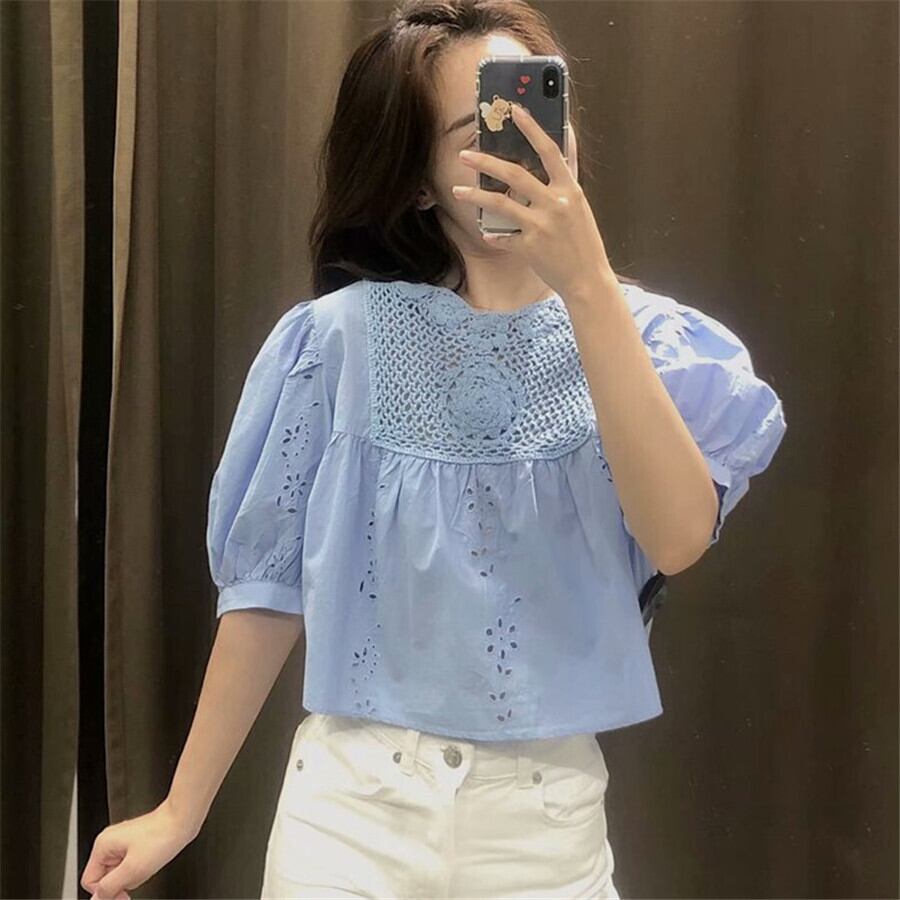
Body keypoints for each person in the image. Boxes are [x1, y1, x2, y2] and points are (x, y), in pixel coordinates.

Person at [80, 1, 788, 898]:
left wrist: (588, 287)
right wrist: (180, 812)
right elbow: (266, 590)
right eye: (483, 128)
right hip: (349, 820)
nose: (526, 147)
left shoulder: (658, 346)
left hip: (546, 832)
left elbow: (679, 536)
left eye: (542, 111)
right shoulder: (334, 343)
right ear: (418, 181)